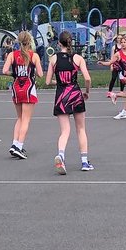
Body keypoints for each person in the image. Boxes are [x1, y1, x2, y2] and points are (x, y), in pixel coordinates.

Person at [45, 30, 93, 174]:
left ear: (59, 43)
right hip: (75, 94)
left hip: (61, 96)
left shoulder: (53, 59)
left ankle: (61, 155)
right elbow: (88, 78)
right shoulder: (78, 58)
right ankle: (84, 161)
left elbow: (47, 82)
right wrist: (87, 92)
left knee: (65, 131)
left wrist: (59, 81)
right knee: (81, 129)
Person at [3, 29, 43, 160]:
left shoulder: (12, 55)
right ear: (30, 41)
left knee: (19, 118)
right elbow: (41, 74)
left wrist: (14, 73)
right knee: (26, 120)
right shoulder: (34, 56)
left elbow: (4, 71)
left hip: (16, 87)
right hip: (28, 88)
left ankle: (14, 144)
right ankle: (19, 146)